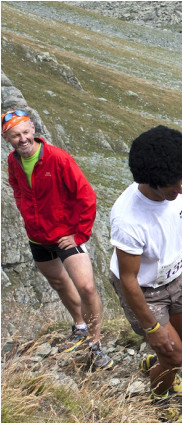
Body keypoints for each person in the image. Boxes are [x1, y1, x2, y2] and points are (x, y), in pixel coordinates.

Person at [2, 109, 113, 369]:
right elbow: (16, 187)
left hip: (66, 236)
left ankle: (95, 345)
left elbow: (87, 196)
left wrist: (78, 234)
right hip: (38, 237)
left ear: (33, 130)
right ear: (7, 138)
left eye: (26, 132)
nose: (23, 139)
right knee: (58, 282)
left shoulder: (58, 159)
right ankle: (79, 327)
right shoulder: (12, 161)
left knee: (86, 287)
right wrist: (25, 212)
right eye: (16, 135)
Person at [109, 125, 182, 401]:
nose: (181, 189)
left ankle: (160, 366)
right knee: (175, 355)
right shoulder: (128, 220)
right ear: (150, 180)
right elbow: (128, 279)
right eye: (172, 185)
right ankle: (157, 404)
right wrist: (152, 329)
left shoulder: (181, 186)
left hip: (176, 277)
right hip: (143, 289)